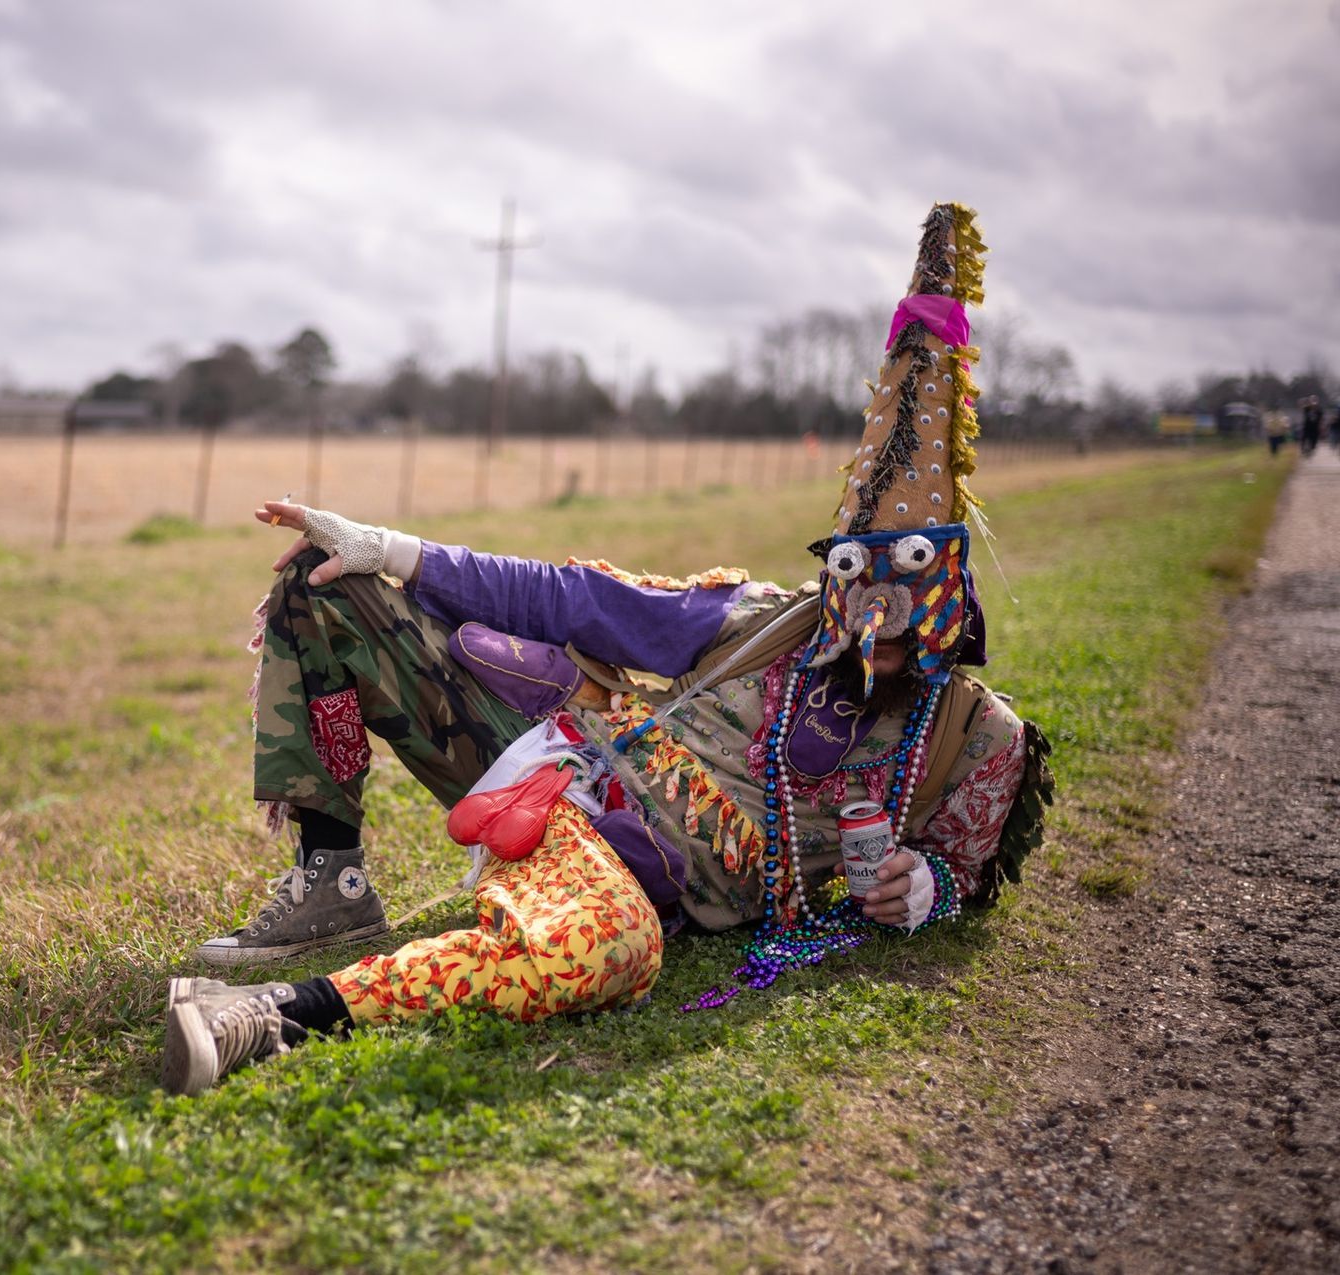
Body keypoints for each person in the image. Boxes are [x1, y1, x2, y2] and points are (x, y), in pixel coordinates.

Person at [162, 203, 1054, 1096]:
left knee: (610, 946)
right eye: (853, 588)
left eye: (899, 615)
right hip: (552, 771)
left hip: (611, 867)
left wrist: (923, 883)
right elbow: (569, 600)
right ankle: (332, 882)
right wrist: (386, 547)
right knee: (325, 579)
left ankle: (268, 1014)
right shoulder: (762, 619)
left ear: (950, 599)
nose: (869, 633)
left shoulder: (979, 737)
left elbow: (968, 867)